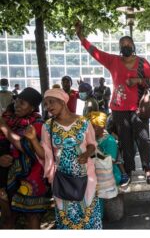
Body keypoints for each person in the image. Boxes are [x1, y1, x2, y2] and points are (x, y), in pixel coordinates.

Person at [76, 21, 150, 184]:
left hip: (139, 109)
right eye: (122, 45)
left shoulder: (142, 62)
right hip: (119, 110)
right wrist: (81, 37)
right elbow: (95, 52)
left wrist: (139, 80)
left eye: (128, 44)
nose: (126, 46)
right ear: (120, 48)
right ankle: (130, 171)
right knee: (125, 142)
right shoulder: (113, 61)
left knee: (144, 139)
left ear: (133, 46)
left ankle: (147, 169)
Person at [24, 88, 102, 229]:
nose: (48, 107)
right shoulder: (48, 126)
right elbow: (45, 155)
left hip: (86, 178)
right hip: (61, 181)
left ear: (63, 102)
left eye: (51, 102)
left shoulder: (83, 122)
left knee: (89, 217)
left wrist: (85, 154)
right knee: (67, 220)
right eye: (46, 104)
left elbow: (92, 144)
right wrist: (33, 140)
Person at [0, 87, 51, 229]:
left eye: (23, 103)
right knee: (8, 216)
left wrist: (4, 128)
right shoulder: (9, 119)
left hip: (31, 177)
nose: (17, 104)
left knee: (32, 216)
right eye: (17, 101)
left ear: (32, 108)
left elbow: (25, 147)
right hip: (7, 176)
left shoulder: (38, 124)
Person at [88, 111, 131, 187]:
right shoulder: (91, 139)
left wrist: (95, 154)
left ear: (103, 127)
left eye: (95, 127)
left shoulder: (109, 141)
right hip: (97, 173)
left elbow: (110, 161)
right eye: (91, 127)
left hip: (109, 175)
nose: (92, 129)